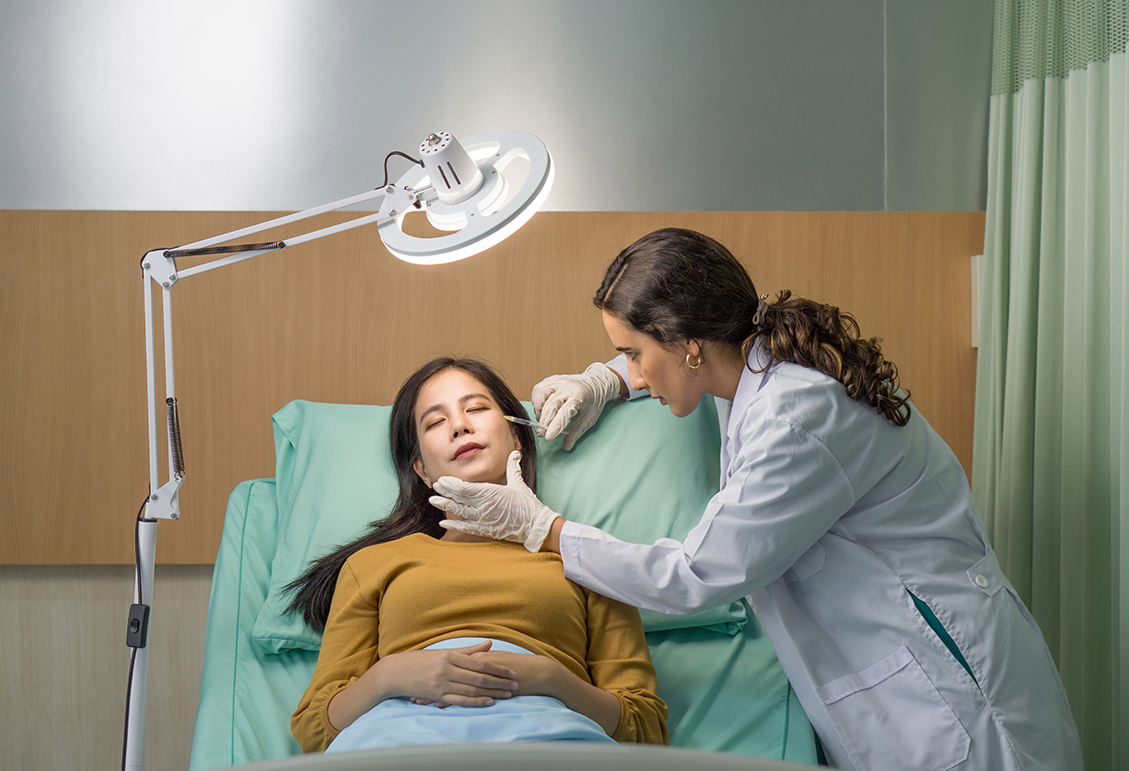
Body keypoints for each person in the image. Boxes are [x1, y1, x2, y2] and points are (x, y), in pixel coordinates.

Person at [429, 229, 1084, 770]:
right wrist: (605, 379)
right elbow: (666, 369)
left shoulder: (797, 416)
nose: (633, 369)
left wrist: (542, 528)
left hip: (947, 694)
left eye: (631, 352)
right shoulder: (748, 365)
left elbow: (695, 575)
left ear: (688, 343)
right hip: (898, 681)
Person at [285, 356, 668, 754]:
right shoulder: (372, 564)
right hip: (398, 745)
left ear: (518, 437)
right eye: (435, 422)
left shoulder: (587, 554)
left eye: (477, 408)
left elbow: (645, 727)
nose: (459, 426)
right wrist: (389, 676)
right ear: (422, 470)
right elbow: (315, 727)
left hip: (549, 744)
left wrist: (549, 677)